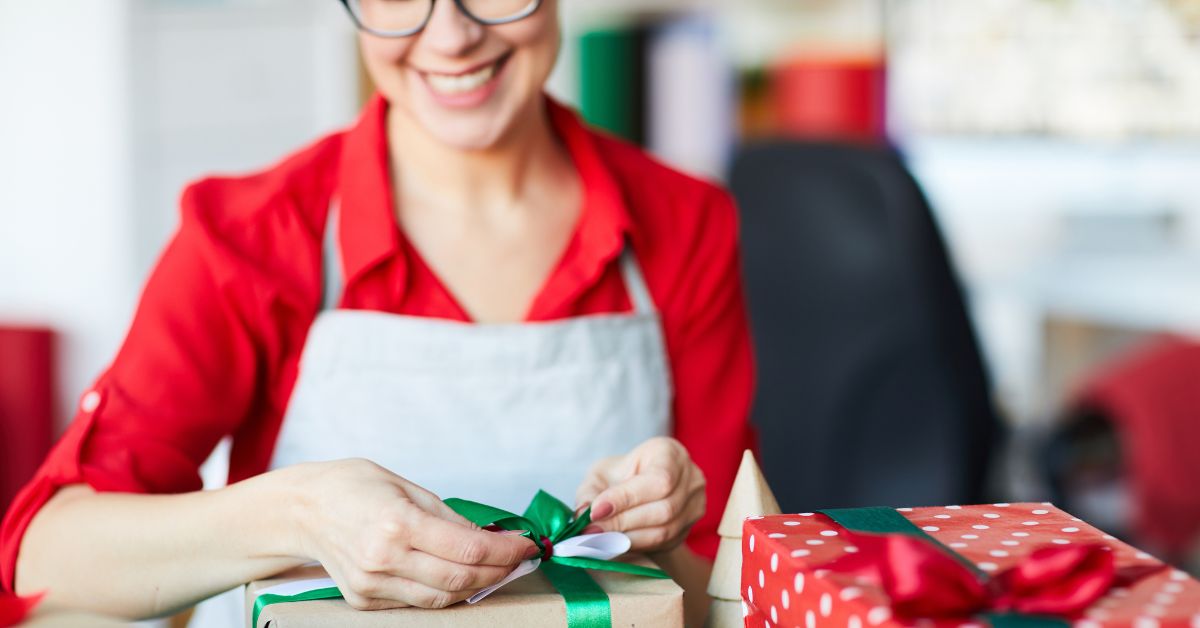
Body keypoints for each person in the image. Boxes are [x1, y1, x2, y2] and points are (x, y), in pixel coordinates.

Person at [1, 0, 756, 624]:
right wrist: (298, 514)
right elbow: (46, 556)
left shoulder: (685, 223)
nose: (451, 34)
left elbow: (729, 589)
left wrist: (669, 527)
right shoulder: (249, 234)